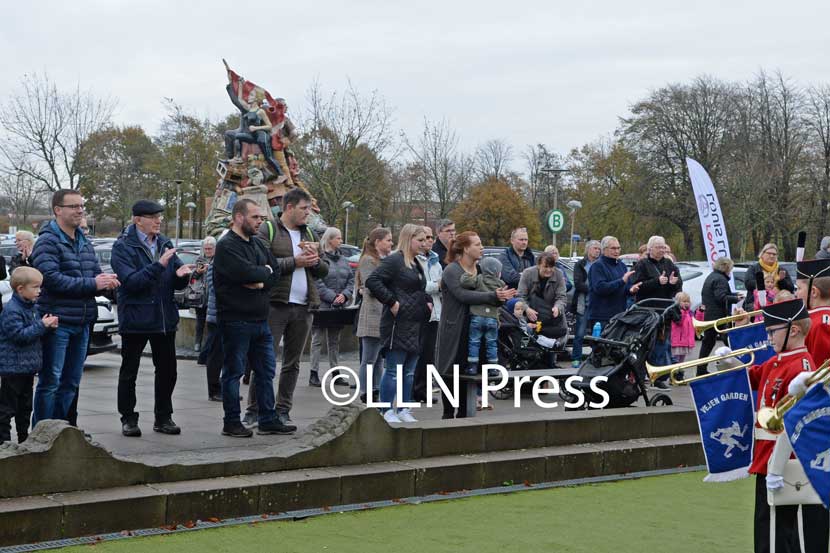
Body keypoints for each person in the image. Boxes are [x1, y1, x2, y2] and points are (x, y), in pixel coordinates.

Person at [721, 299, 815, 553]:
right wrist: (730, 362)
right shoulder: (779, 360)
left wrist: (777, 466)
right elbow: (754, 376)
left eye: (773, 331)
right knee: (767, 531)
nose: (768, 337)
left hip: (782, 459)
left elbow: (797, 424)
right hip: (767, 457)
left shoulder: (801, 367)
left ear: (793, 330)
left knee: (774, 537)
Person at [31, 190, 119, 427]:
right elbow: (50, 279)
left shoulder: (83, 241)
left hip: (83, 321)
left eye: (82, 206)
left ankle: (61, 432)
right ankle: (42, 434)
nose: (80, 211)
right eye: (73, 206)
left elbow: (91, 276)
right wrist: (93, 283)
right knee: (51, 381)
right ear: (58, 210)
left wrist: (105, 283)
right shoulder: (47, 241)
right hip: (57, 322)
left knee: (71, 382)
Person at [110, 200, 194, 437]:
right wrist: (159, 265)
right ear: (138, 220)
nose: (159, 221)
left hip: (164, 318)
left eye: (160, 216)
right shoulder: (122, 247)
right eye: (153, 217)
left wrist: (184, 275)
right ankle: (128, 418)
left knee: (168, 371)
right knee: (130, 371)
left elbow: (174, 275)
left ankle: (163, 417)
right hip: (136, 318)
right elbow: (132, 282)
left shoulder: (164, 242)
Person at [213, 199, 288, 437]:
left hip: (260, 320)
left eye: (262, 218)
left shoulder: (257, 244)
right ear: (238, 217)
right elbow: (243, 272)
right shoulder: (226, 246)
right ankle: (231, 421)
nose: (260, 222)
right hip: (235, 320)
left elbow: (274, 272)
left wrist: (259, 279)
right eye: (255, 217)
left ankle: (268, 417)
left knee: (266, 371)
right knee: (234, 372)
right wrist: (258, 273)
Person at [253, 188, 328, 427]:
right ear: (289, 208)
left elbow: (324, 270)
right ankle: (255, 409)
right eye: (304, 209)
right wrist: (295, 262)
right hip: (275, 304)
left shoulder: (311, 234)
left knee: (292, 363)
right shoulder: (269, 229)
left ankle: (283, 409)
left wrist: (315, 261)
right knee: (264, 359)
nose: (309, 213)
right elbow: (262, 264)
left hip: (304, 306)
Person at [436, 232, 515, 419]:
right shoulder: (452, 270)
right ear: (465, 248)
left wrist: (501, 298)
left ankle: (465, 416)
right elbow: (463, 295)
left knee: (469, 375)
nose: (482, 248)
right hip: (455, 329)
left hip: (477, 330)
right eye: (477, 244)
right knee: (450, 373)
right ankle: (448, 416)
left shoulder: (480, 270)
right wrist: (493, 296)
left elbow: (492, 295)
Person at [366, 224, 432, 424]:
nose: (423, 244)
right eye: (419, 240)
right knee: (394, 369)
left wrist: (427, 300)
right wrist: (391, 301)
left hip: (415, 322)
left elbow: (418, 288)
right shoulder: (395, 260)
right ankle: (386, 409)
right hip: (398, 323)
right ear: (409, 239)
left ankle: (403, 407)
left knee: (409, 371)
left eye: (424, 240)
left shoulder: (416, 263)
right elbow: (373, 281)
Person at [0, 268, 58, 444]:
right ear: (20, 289)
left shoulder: (32, 307)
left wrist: (47, 327)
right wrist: (42, 325)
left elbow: (34, 335)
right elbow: (19, 336)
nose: (39, 291)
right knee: (7, 408)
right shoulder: (12, 310)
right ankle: (3, 442)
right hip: (13, 369)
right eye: (35, 287)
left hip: (27, 368)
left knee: (25, 408)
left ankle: (24, 440)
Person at [631, 235, 683, 387]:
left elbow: (678, 284)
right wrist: (656, 282)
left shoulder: (669, 264)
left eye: (663, 247)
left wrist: (674, 283)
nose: (662, 250)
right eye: (659, 247)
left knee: (661, 344)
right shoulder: (642, 264)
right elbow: (636, 285)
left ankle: (659, 377)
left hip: (664, 311)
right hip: (647, 310)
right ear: (650, 249)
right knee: (643, 344)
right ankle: (640, 375)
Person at [309, 227, 354, 386]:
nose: (341, 241)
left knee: (335, 341)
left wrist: (345, 295)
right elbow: (317, 282)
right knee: (317, 340)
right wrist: (333, 297)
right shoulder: (321, 260)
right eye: (339, 239)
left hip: (338, 306)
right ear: (330, 240)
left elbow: (351, 280)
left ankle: (335, 372)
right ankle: (313, 372)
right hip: (322, 306)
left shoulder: (343, 260)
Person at [355, 227, 394, 402]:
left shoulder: (384, 260)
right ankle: (365, 391)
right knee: (369, 358)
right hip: (372, 314)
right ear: (378, 242)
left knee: (378, 358)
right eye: (388, 240)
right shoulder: (368, 260)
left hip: (382, 314)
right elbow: (371, 286)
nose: (391, 243)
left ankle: (376, 389)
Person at [696, 257, 743, 376]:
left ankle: (700, 370)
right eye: (730, 268)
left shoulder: (712, 276)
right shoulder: (720, 279)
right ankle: (741, 363)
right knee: (728, 340)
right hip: (718, 316)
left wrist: (733, 294)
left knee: (708, 343)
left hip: (710, 315)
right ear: (726, 268)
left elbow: (718, 294)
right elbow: (721, 297)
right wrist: (735, 298)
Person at [459, 257, 505, 375]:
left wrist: (470, 271)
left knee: (474, 341)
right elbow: (502, 301)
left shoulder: (479, 279)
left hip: (477, 317)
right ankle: (493, 368)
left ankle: (472, 366)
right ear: (497, 272)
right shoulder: (500, 284)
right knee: (492, 343)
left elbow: (464, 282)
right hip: (492, 319)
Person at [414, 225, 443, 403]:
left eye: (431, 237)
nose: (429, 241)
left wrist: (440, 286)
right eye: (425, 238)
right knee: (417, 353)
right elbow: (421, 285)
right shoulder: (415, 261)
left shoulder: (435, 261)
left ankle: (423, 389)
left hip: (435, 311)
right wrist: (438, 286)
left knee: (428, 355)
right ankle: (413, 390)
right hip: (421, 311)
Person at [586, 236, 638, 332]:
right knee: (601, 346)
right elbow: (600, 288)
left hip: (620, 314)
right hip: (601, 316)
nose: (617, 251)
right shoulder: (597, 266)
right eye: (613, 248)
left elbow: (626, 287)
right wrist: (621, 281)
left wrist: (631, 290)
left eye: (618, 248)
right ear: (604, 250)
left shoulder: (622, 266)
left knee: (617, 346)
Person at [517, 252, 568, 346]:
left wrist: (557, 307)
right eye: (546, 266)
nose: (549, 270)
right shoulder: (527, 273)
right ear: (538, 265)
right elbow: (520, 296)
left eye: (551, 267)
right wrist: (527, 309)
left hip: (552, 318)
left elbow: (562, 297)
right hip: (532, 316)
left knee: (553, 348)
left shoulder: (559, 274)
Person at [570, 240, 600, 367]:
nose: (597, 251)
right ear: (588, 250)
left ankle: (596, 359)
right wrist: (595, 288)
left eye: (599, 249)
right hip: (584, 303)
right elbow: (578, 283)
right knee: (580, 333)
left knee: (598, 334)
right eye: (595, 248)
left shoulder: (601, 264)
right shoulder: (580, 264)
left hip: (598, 305)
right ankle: (576, 358)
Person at [743, 243, 795, 311]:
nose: (771, 256)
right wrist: (767, 287)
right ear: (762, 254)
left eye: (774, 254)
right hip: (756, 305)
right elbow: (748, 283)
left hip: (778, 305)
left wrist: (782, 280)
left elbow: (791, 288)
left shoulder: (781, 270)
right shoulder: (754, 268)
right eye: (769, 253)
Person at [193, 237, 216, 353]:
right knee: (200, 321)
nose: (207, 251)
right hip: (201, 295)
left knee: (211, 324)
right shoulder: (200, 259)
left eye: (210, 249)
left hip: (212, 296)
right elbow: (193, 277)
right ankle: (197, 342)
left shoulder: (218, 259)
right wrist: (198, 272)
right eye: (206, 249)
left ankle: (208, 346)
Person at [670, 292, 695, 363]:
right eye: (684, 301)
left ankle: (679, 373)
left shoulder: (689, 312)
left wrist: (701, 312)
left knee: (681, 361)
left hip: (685, 342)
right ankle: (674, 372)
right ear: (678, 302)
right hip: (677, 342)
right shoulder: (676, 312)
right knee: (675, 360)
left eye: (688, 301)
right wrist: (683, 312)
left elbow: (696, 322)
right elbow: (679, 322)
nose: (686, 303)